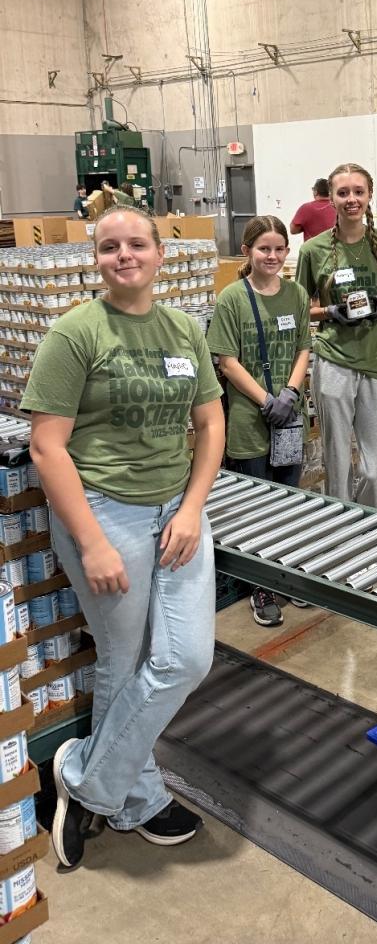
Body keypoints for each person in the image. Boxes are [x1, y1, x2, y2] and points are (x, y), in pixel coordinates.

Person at [21, 206, 224, 870]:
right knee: (125, 660)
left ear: (161, 254)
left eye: (137, 243)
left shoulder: (184, 330)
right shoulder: (74, 332)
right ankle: (135, 801)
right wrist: (93, 542)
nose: (124, 255)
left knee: (185, 660)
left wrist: (192, 508)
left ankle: (82, 778)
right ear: (96, 259)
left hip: (178, 513)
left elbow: (210, 424)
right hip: (107, 512)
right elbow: (47, 447)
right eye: (110, 247)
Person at [207, 214, 312, 627]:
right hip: (250, 419)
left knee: (288, 501)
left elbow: (303, 347)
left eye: (279, 249)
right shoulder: (232, 299)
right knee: (256, 506)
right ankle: (261, 586)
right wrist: (266, 399)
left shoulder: (297, 294)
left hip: (289, 417)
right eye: (264, 249)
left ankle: (286, 572)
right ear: (247, 251)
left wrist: (291, 394)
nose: (272, 256)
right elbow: (227, 361)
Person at [296, 163, 377, 512]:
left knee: (374, 467)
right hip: (334, 361)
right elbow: (301, 309)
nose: (351, 199)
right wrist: (330, 312)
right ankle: (340, 526)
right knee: (338, 458)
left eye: (358, 192)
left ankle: (374, 526)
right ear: (331, 198)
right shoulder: (313, 251)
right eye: (343, 193)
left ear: (370, 195)